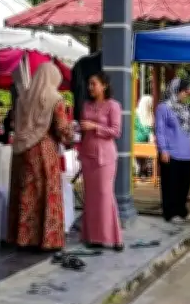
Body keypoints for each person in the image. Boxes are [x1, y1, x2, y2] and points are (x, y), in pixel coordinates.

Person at [6, 62, 74, 252]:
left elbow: (14, 122)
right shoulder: (54, 98)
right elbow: (62, 128)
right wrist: (70, 134)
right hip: (43, 151)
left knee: (25, 194)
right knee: (45, 193)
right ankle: (46, 240)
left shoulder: (22, 98)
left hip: (21, 151)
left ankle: (22, 238)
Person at [79, 71, 123, 251]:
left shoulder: (113, 105)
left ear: (104, 85)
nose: (90, 88)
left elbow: (116, 131)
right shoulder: (86, 106)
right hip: (88, 154)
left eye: (93, 84)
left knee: (105, 195)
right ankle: (92, 237)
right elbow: (83, 128)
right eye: (89, 84)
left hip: (105, 157)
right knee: (90, 197)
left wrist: (95, 126)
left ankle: (114, 238)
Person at [155, 78, 190, 224]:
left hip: (186, 152)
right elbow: (159, 130)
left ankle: (181, 210)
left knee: (184, 185)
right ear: (175, 90)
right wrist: (163, 150)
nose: (187, 94)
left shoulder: (185, 108)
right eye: (185, 91)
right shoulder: (163, 108)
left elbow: (185, 128)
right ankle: (170, 213)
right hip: (170, 152)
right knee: (170, 184)